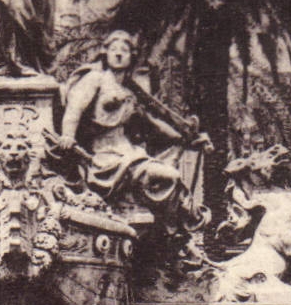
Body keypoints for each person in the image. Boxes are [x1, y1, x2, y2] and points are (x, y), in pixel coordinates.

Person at [54, 30, 207, 223]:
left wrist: (187, 139)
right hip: (104, 157)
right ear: (105, 53)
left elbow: (153, 125)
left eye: (124, 50)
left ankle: (179, 225)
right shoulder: (95, 79)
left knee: (170, 176)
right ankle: (191, 216)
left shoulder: (131, 93)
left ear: (131, 56)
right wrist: (68, 135)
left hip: (129, 153)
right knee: (168, 175)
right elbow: (74, 108)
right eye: (114, 49)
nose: (118, 54)